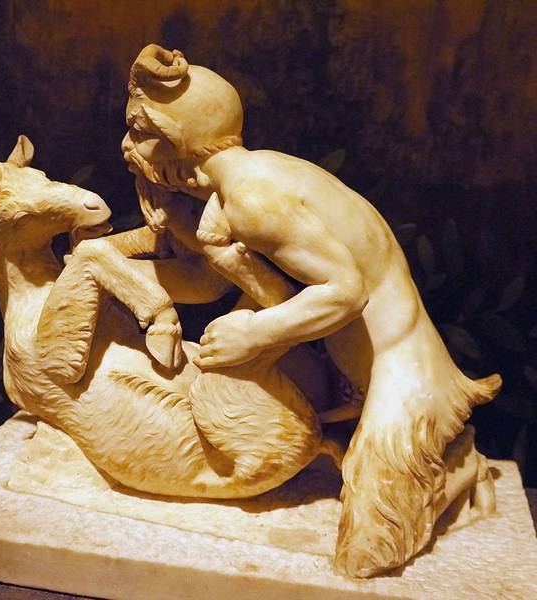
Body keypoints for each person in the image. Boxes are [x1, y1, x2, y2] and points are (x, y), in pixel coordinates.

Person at [120, 44, 501, 577]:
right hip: (353, 366)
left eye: (139, 133)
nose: (128, 146)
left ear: (176, 138)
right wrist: (198, 246)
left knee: (369, 552)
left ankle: (453, 465)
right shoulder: (245, 184)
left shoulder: (252, 197)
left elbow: (345, 293)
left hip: (401, 371)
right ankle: (436, 456)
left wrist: (255, 334)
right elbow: (267, 290)